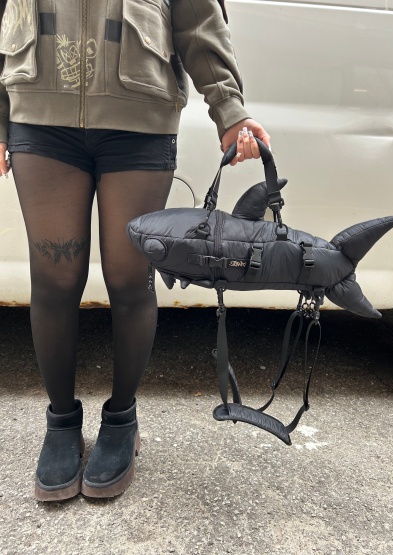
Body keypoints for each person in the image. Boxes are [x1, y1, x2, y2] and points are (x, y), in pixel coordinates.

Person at [0, 0, 270, 501]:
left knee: (129, 279)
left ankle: (122, 419)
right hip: (39, 114)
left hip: (139, 118)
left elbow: (199, 20)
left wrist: (230, 109)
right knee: (54, 280)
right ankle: (61, 421)